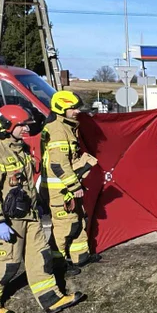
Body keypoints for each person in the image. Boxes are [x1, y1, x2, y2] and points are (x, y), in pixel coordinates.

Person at [0, 105, 85, 313]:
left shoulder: (20, 148)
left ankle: (51, 298)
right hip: (10, 220)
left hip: (30, 217)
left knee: (40, 257)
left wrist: (37, 204)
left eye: (26, 125)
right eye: (21, 125)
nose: (25, 129)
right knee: (8, 262)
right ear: (7, 126)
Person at [42, 91, 99, 273]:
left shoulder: (66, 126)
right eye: (72, 108)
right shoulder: (58, 130)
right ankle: (58, 265)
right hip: (60, 188)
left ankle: (80, 257)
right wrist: (73, 186)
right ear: (61, 108)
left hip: (67, 185)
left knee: (78, 220)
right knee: (63, 226)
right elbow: (59, 163)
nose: (76, 112)